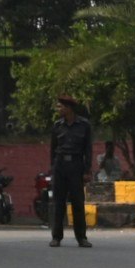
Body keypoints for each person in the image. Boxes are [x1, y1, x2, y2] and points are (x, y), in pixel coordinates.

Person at [48, 94, 94, 249]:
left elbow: (88, 149)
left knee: (77, 203)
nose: (58, 109)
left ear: (69, 109)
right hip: (60, 166)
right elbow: (53, 150)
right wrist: (53, 168)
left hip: (76, 165)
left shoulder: (84, 125)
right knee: (58, 203)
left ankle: (81, 237)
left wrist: (87, 170)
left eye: (61, 107)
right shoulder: (57, 126)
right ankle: (56, 237)